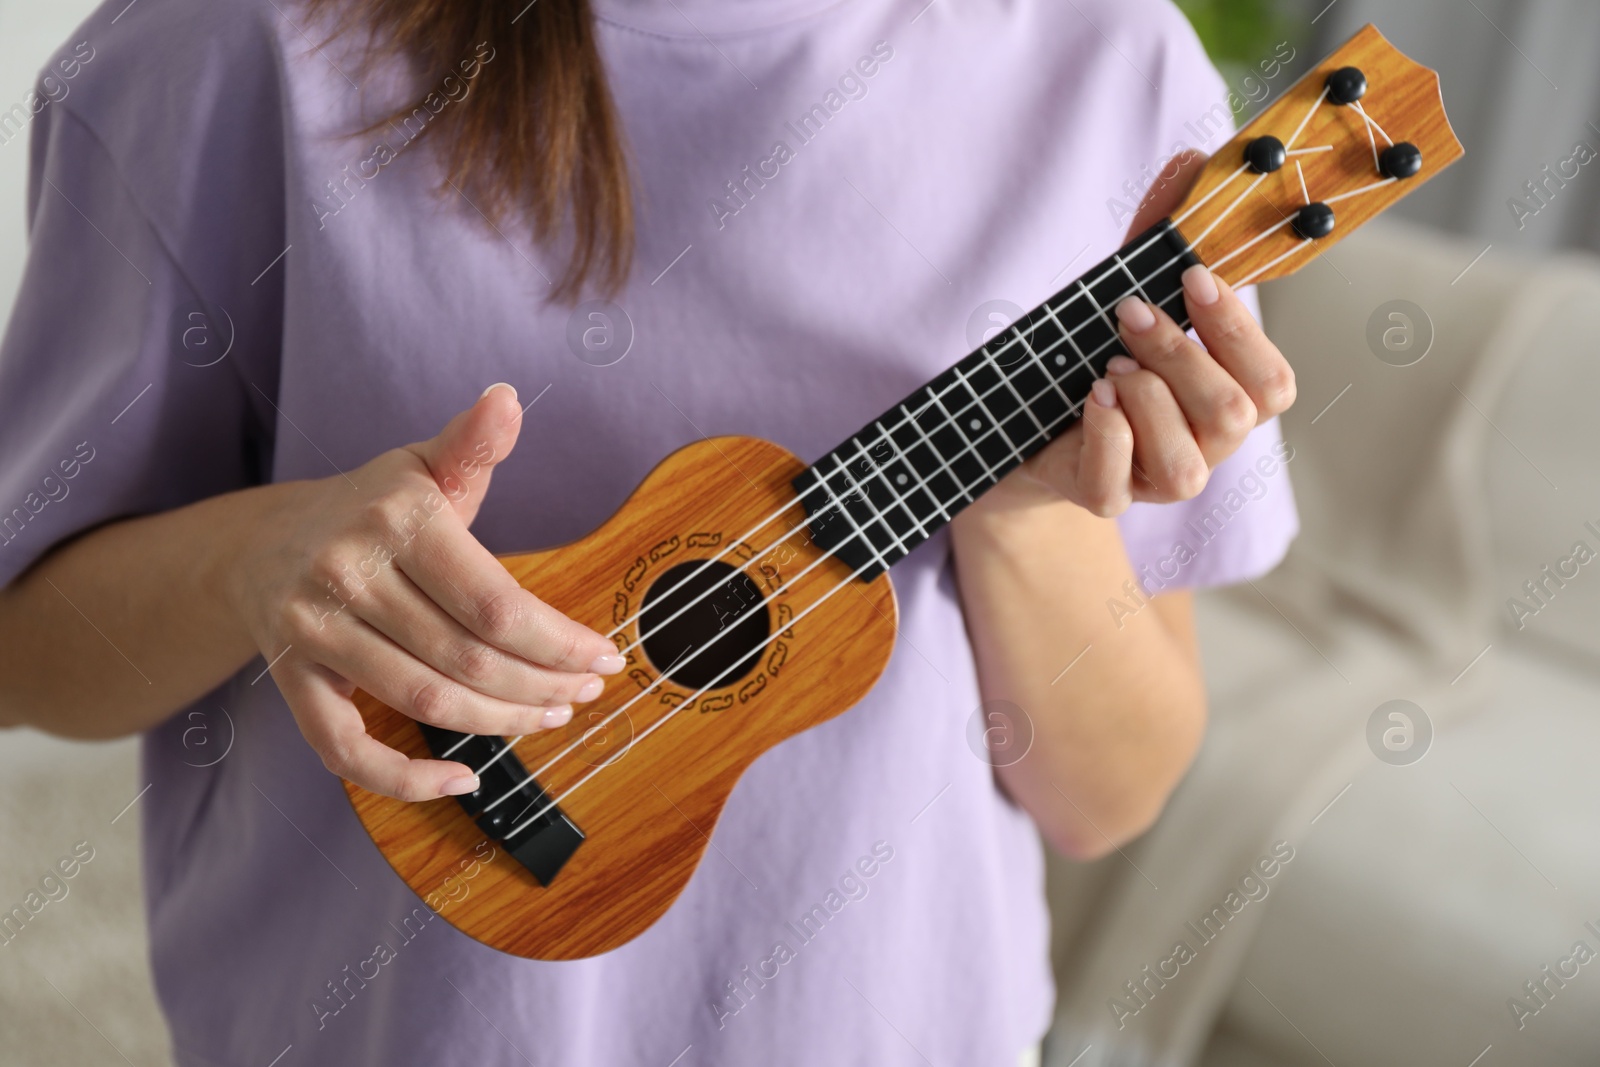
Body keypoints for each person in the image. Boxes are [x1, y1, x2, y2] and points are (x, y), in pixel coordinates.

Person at [0, 0, 1298, 1063]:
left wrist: (1020, 515)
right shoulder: (216, 50)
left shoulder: (1109, 63)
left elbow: (1109, 797)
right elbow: (22, 650)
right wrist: (258, 561)